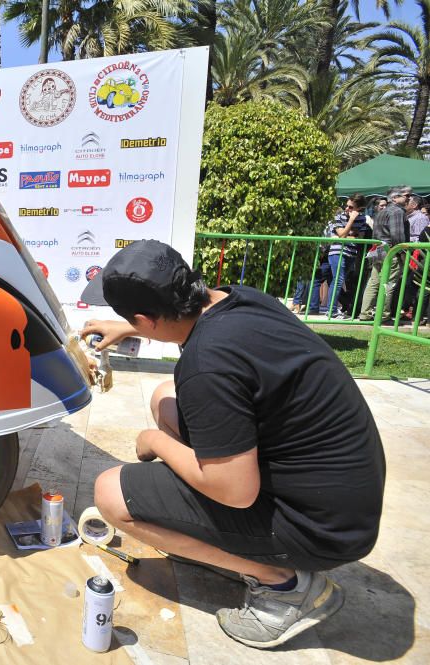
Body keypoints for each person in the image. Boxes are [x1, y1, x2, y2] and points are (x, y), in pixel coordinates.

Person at [80, 240, 385, 649]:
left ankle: (285, 586)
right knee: (165, 396)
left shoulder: (208, 363)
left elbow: (236, 492)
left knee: (112, 494)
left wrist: (153, 440)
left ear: (146, 318)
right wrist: (129, 327)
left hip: (321, 530)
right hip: (343, 498)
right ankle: (209, 534)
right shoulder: (241, 300)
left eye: (133, 320)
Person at [359, 186, 412, 321]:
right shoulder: (397, 212)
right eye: (405, 195)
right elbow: (397, 237)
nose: (409, 198)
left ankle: (365, 313)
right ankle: (383, 315)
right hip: (391, 253)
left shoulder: (381, 212)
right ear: (395, 198)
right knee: (388, 284)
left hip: (378, 251)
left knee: (374, 283)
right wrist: (403, 253)